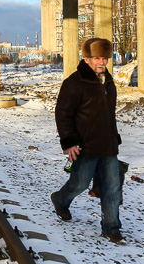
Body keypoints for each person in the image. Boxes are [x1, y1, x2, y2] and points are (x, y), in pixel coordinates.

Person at [51, 37, 126, 244]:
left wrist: (114, 139)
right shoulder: (74, 83)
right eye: (97, 58)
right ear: (86, 59)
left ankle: (111, 228)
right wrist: (69, 142)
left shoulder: (108, 81)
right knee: (79, 184)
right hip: (85, 146)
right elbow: (63, 114)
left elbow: (108, 115)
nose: (102, 62)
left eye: (105, 58)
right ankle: (60, 200)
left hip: (108, 145)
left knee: (112, 188)